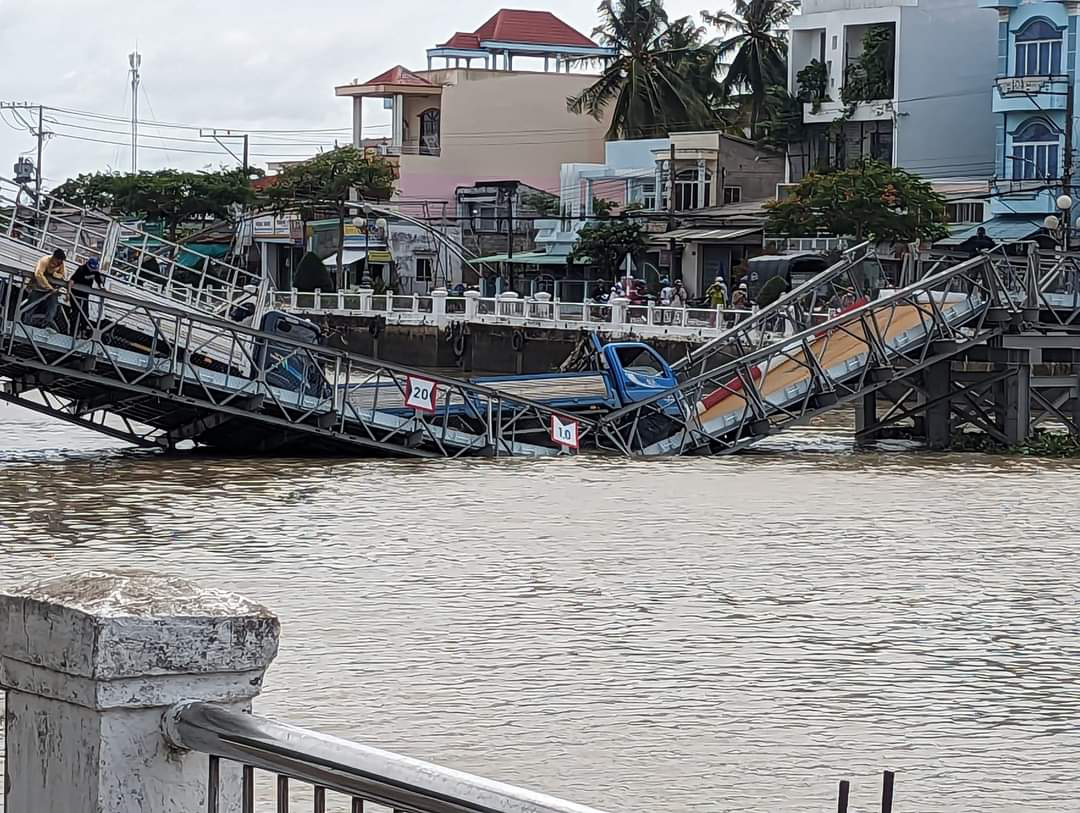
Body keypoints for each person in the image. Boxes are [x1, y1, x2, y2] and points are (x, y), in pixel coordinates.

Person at [22, 249, 67, 328]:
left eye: (60, 261)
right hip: (38, 288)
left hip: (52, 291)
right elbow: (38, 275)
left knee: (52, 308)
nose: (58, 263)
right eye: (57, 260)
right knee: (30, 306)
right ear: (54, 257)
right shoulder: (44, 260)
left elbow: (62, 276)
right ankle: (25, 324)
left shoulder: (61, 264)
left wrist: (55, 275)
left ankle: (45, 325)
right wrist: (49, 287)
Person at [69, 257, 104, 336]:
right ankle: (73, 332)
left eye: (94, 269)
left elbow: (98, 280)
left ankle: (83, 331)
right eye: (91, 268)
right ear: (87, 265)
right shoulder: (81, 269)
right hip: (75, 294)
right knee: (75, 313)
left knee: (85, 314)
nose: (92, 270)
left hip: (84, 295)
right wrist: (69, 293)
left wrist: (102, 287)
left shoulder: (95, 272)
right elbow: (73, 279)